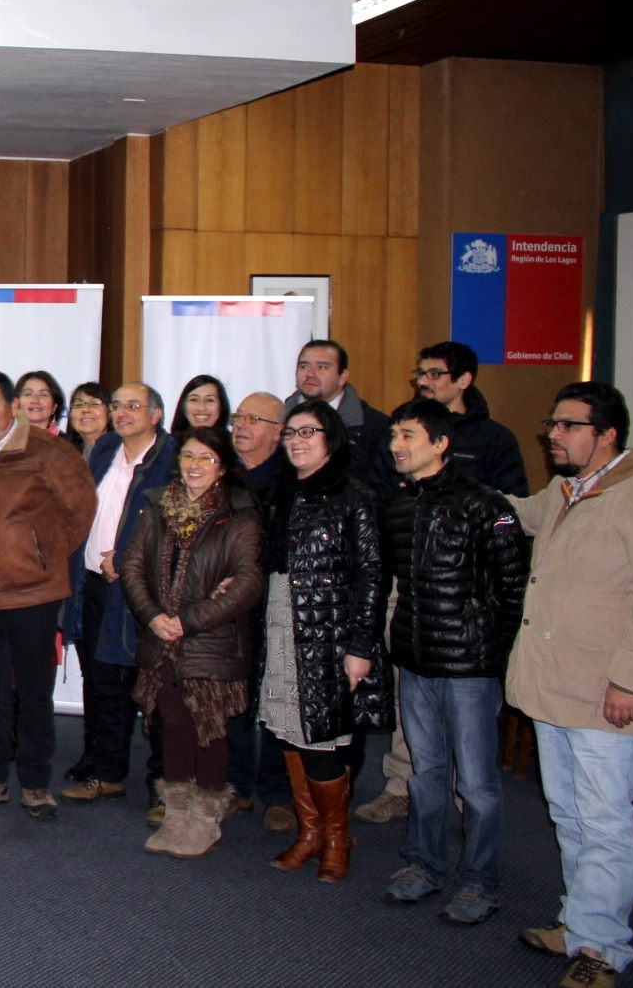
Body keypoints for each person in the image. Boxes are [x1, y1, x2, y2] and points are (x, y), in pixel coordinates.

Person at [505, 383, 633, 988]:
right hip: (557, 688)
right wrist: (460, 493)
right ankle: (579, 924)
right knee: (568, 813)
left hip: (609, 696)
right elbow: (518, 515)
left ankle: (602, 947)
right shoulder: (567, 491)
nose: (554, 434)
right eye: (553, 423)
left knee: (603, 821)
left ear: (607, 435)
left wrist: (631, 680)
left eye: (569, 426)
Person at [377, 399, 529, 924]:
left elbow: (513, 590)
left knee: (478, 784)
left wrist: (490, 653)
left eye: (409, 436)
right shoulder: (398, 506)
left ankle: (480, 882)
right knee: (426, 773)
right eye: (394, 434)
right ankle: (424, 865)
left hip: (470, 668)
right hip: (415, 662)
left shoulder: (488, 506)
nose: (396, 445)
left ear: (440, 443)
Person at [0, 369, 97, 818]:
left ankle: (34, 782)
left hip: (34, 593)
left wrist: (41, 555)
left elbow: (81, 509)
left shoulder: (48, 450)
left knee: (33, 693)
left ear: (10, 406)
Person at [258, 399, 389, 884]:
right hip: (281, 626)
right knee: (289, 732)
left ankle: (337, 838)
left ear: (330, 438)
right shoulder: (283, 493)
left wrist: (360, 647)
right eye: (290, 433)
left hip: (331, 637)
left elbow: (373, 575)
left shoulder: (356, 495)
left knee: (323, 740)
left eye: (307, 432)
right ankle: (308, 832)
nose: (296, 440)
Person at [121, 426, 264, 858]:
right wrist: (153, 617)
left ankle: (206, 819)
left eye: (205, 457)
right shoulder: (159, 507)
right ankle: (176, 814)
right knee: (174, 726)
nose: (195, 465)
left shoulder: (241, 513)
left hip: (212, 643)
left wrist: (186, 621)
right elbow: (131, 567)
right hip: (161, 639)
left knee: (208, 730)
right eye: (188, 456)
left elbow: (248, 583)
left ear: (222, 466)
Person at [62, 383, 175, 811]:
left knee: (157, 691)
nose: (122, 412)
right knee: (103, 682)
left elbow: (178, 528)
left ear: (156, 414)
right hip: (94, 587)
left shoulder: (171, 459)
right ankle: (107, 773)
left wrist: (129, 558)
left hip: (146, 593)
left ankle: (164, 788)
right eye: (117, 405)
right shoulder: (106, 451)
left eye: (133, 406)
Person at [225, 390, 295, 828]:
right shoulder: (221, 474)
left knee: (274, 695)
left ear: (279, 432)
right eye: (239, 416)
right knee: (230, 695)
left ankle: (277, 792)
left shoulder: (292, 481)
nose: (242, 425)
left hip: (273, 604)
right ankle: (235, 785)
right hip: (224, 608)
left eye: (255, 419)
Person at [410, 341, 528, 497]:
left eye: (434, 374)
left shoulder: (496, 439)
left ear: (463, 380)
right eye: (420, 373)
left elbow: (513, 504)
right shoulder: (402, 429)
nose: (422, 382)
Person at [285, 338, 393, 497]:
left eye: (322, 367)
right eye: (304, 366)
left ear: (342, 377)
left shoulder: (374, 425)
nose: (310, 374)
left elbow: (383, 488)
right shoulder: (279, 419)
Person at [169, 374, 231, 441]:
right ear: (183, 406)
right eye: (194, 400)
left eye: (210, 400)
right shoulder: (169, 447)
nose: (201, 407)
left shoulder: (233, 447)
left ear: (221, 406)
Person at [65, 382, 112, 456]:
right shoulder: (63, 454)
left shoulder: (121, 452)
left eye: (94, 403)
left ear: (109, 414)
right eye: (78, 404)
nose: (85, 410)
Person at [14, 370, 66, 436]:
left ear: (54, 407)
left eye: (43, 395)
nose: (35, 400)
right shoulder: (2, 441)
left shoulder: (67, 444)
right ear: (15, 404)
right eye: (28, 394)